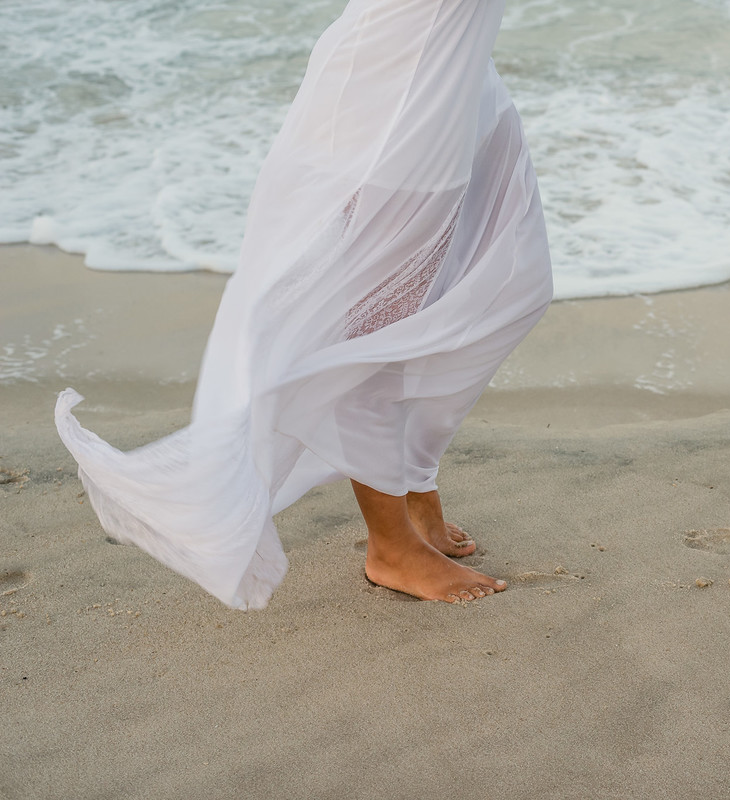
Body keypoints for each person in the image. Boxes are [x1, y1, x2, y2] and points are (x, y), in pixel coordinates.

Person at [56, 0, 553, 609]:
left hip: (457, 73)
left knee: (510, 282)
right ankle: (391, 544)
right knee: (378, 326)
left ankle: (414, 481)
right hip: (396, 89)